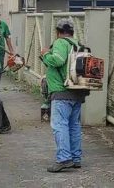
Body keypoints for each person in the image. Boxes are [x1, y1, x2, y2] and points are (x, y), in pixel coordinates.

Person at [41, 18, 88, 173]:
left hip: (62, 91)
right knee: (74, 125)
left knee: (59, 125)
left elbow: (58, 60)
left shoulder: (61, 43)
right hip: (77, 91)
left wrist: (45, 55)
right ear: (72, 31)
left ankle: (64, 158)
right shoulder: (78, 45)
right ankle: (76, 158)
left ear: (58, 31)